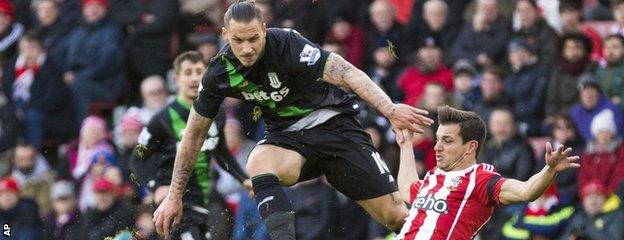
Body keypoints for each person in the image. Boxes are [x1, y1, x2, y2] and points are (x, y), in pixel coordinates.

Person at [153, 2, 433, 239]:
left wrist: (389, 108)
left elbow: (347, 72)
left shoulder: (288, 42)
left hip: (335, 128)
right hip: (289, 140)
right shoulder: (218, 72)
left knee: (398, 219)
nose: (247, 48)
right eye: (238, 40)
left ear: (264, 29)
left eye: (254, 38)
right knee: (258, 161)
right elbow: (193, 134)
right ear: (225, 35)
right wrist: (174, 194)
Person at [395, 106, 579, 239]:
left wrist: (550, 169)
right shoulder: (434, 176)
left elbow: (526, 191)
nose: (437, 147)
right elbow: (407, 189)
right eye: (437, 140)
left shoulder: (480, 179)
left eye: (447, 141)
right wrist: (405, 143)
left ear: (470, 147)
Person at [132, 51, 250, 239]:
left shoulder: (218, 114)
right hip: (173, 204)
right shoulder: (161, 120)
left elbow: (220, 151)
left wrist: (244, 179)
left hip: (205, 202)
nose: (195, 78)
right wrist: (155, 187)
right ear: (177, 78)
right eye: (188, 72)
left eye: (199, 71)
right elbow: (138, 157)